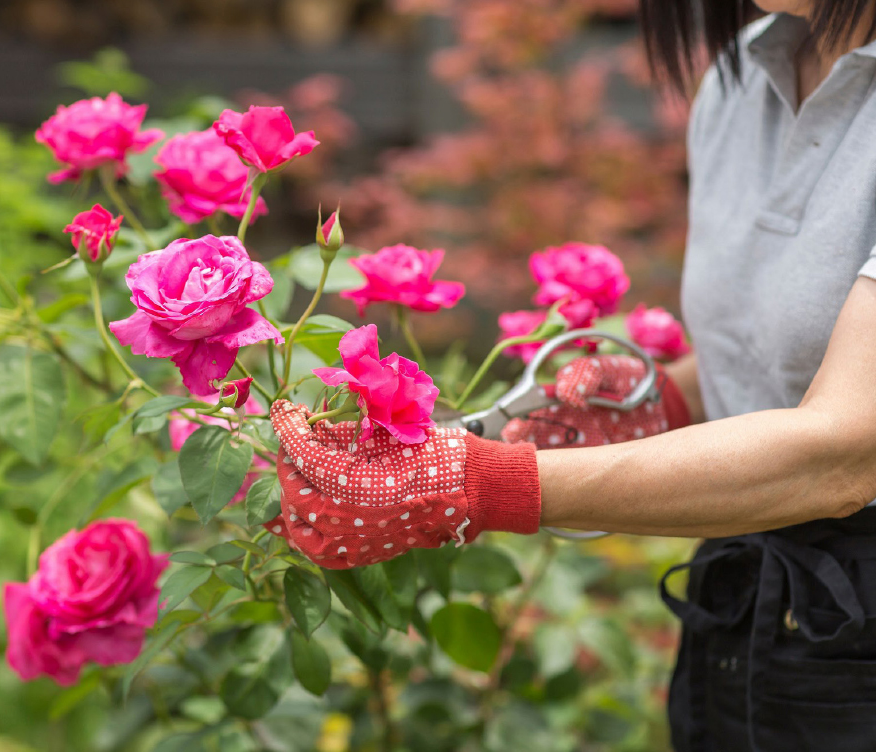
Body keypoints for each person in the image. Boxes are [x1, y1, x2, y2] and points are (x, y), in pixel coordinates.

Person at [263, 2, 876, 751]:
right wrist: (661, 397)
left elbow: (845, 452)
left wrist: (477, 484)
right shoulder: (742, 74)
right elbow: (777, 353)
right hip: (749, 608)